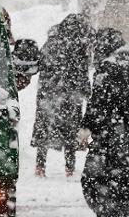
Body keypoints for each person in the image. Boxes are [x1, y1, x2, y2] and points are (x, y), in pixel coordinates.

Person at [30, 13, 93, 177]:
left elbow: (41, 65)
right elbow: (82, 72)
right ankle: (69, 168)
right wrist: (86, 91)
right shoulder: (78, 45)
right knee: (70, 131)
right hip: (71, 95)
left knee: (44, 129)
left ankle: (40, 166)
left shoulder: (51, 42)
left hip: (48, 94)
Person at [79, 27, 129, 216]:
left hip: (112, 139)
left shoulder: (108, 68)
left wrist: (85, 129)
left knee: (96, 182)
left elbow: (98, 104)